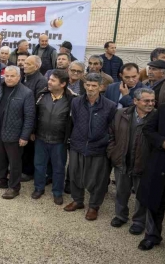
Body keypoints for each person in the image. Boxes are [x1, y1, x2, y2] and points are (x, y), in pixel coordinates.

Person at [65, 73, 116, 221]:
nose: (90, 88)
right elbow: (74, 120)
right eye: (88, 85)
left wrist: (105, 142)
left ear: (101, 87)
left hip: (98, 147)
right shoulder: (76, 102)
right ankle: (77, 201)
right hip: (78, 144)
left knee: (98, 179)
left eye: (94, 86)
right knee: (75, 175)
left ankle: (94, 206)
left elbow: (112, 128)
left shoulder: (110, 106)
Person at [107, 88, 156, 235]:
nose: (150, 103)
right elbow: (111, 134)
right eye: (146, 100)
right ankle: (120, 216)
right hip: (122, 160)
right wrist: (113, 152)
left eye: (153, 100)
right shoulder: (121, 114)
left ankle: (138, 221)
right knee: (121, 191)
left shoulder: (157, 117)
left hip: (144, 164)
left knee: (141, 195)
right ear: (135, 101)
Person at [0, 66, 35, 199]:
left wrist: (24, 136)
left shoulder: (26, 93)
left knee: (15, 163)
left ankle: (14, 187)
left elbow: (30, 116)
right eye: (7, 76)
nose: (9, 78)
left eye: (12, 76)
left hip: (15, 134)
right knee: (0, 159)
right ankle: (1, 180)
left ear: (19, 77)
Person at [32, 69, 75, 205]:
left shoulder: (71, 100)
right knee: (39, 165)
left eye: (52, 80)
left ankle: (57, 192)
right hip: (40, 138)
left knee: (58, 167)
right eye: (49, 79)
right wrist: (32, 132)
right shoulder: (42, 95)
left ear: (62, 84)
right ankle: (39, 188)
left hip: (59, 141)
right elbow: (34, 115)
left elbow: (73, 121)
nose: (48, 82)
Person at [137, 101, 165, 251]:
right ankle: (152, 235)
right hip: (162, 166)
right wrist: (162, 141)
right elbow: (148, 129)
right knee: (156, 201)